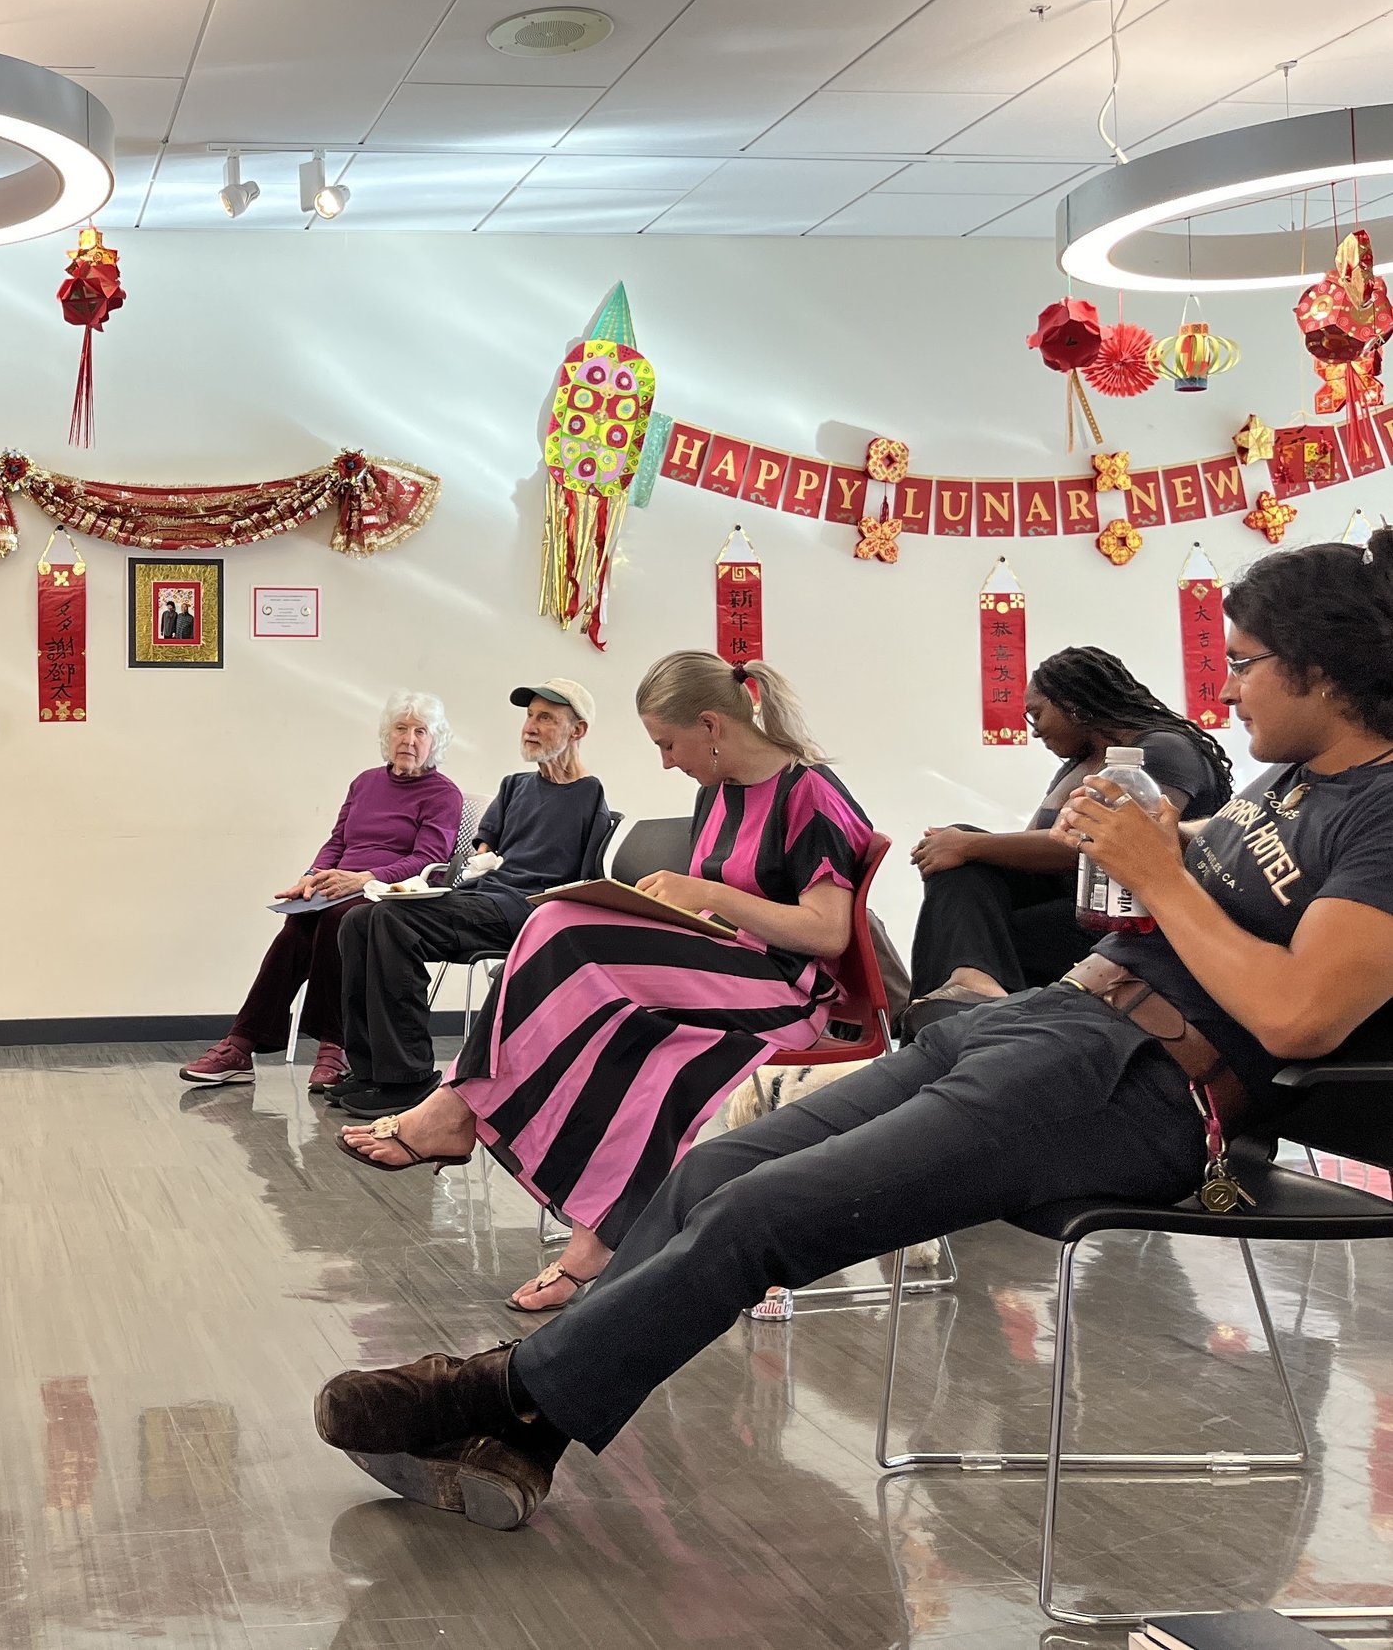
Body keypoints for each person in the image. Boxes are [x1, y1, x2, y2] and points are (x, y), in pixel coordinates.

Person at [312, 528, 1393, 1533]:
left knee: (761, 1215)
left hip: (1141, 1083)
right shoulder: (1298, 776)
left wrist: (1161, 874)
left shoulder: (1386, 809)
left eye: (1244, 663)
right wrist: (1164, 837)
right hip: (1051, 1021)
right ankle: (530, 1426)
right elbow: (1236, 867)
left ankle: (496, 1395)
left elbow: (1302, 1013)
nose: (1225, 687)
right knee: (711, 1170)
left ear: (1320, 668)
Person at [339, 653, 873, 1314]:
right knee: (560, 928)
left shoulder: (809, 791)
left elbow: (829, 932)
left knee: (562, 928)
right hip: (724, 969)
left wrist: (708, 895)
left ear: (711, 726)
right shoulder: (718, 790)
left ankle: (460, 1109)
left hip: (784, 992)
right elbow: (721, 914)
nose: (666, 762)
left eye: (668, 744)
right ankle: (565, 1204)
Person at [328, 678, 612, 1119]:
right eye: (529, 716)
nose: (530, 727)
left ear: (577, 731)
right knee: (359, 919)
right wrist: (468, 869)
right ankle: (370, 1070)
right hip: (481, 897)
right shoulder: (514, 785)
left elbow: (588, 878)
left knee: (389, 921)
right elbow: (482, 851)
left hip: (525, 911)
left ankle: (408, 1077)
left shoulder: (589, 794)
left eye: (545, 718)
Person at [908, 646, 1231, 1020]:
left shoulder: (1161, 750)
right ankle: (973, 983)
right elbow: (1037, 843)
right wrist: (964, 845)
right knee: (961, 871)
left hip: (1127, 914)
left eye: (1037, 714)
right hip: (1073, 903)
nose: (1035, 730)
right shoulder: (1080, 762)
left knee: (965, 925)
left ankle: (952, 1009)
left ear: (1073, 705)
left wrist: (971, 845)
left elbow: (1110, 842)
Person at [180, 692, 465, 1092]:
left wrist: (364, 878)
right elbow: (337, 841)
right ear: (388, 735)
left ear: (436, 740)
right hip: (342, 885)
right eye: (401, 728)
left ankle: (335, 1045)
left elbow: (428, 859)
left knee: (335, 919)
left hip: (392, 893)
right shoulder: (364, 782)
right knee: (298, 925)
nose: (409, 739)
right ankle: (241, 1045)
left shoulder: (443, 793)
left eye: (421, 731)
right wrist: (311, 876)